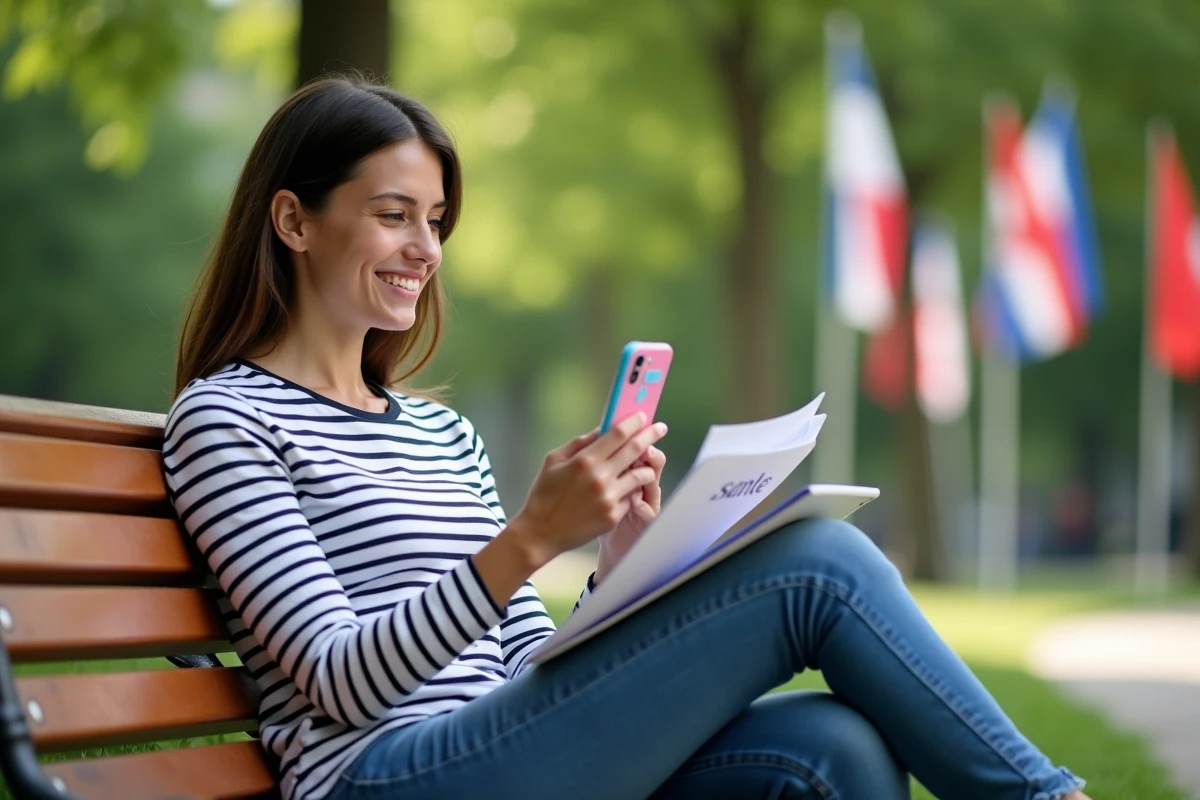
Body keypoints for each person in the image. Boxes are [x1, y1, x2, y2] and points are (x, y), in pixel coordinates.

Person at [162, 75, 1091, 800]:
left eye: (436, 220)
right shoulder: (228, 420)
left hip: (505, 759)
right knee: (816, 565)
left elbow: (523, 667)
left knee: (831, 746)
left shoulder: (441, 433)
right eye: (392, 214)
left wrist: (618, 567)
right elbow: (337, 682)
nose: (426, 248)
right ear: (294, 220)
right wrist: (527, 541)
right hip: (381, 777)